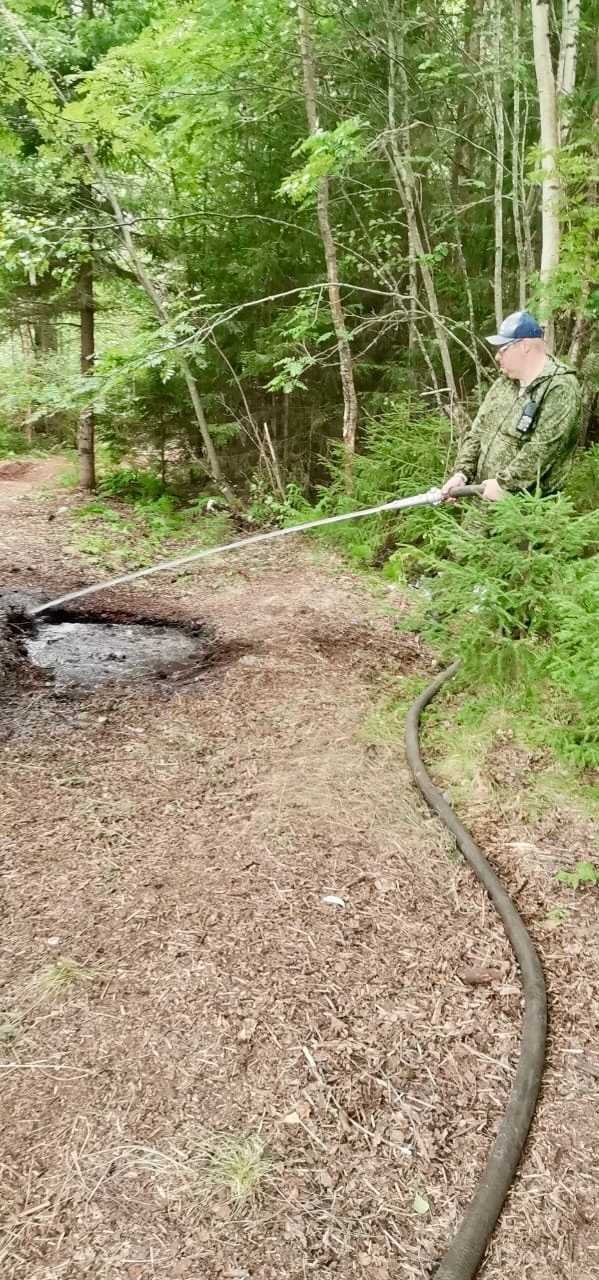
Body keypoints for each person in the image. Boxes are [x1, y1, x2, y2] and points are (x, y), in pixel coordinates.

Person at [442, 311, 582, 502]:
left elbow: (543, 449)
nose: (497, 356)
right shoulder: (504, 384)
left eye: (502, 349)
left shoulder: (560, 388)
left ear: (524, 345)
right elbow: (477, 432)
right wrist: (461, 474)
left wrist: (503, 484)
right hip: (482, 503)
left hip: (526, 510)